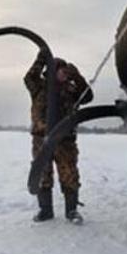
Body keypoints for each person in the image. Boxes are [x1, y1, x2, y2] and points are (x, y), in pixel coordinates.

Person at [24, 51, 93, 223]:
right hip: (42, 139)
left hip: (65, 141)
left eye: (65, 71)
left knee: (69, 174)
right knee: (43, 175)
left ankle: (71, 211)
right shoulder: (39, 87)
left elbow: (88, 97)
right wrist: (41, 58)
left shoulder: (71, 90)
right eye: (60, 70)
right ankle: (45, 211)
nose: (64, 74)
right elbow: (29, 77)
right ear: (52, 72)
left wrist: (77, 76)